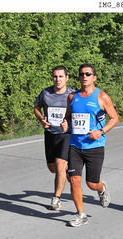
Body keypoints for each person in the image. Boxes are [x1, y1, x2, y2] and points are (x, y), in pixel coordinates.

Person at [60, 64, 119, 227]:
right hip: (75, 145)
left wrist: (101, 131)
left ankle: (101, 189)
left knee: (91, 183)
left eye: (88, 74)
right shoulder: (72, 97)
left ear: (94, 77)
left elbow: (115, 118)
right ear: (79, 77)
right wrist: (65, 124)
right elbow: (68, 117)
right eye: (81, 74)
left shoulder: (102, 97)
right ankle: (81, 214)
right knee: (74, 179)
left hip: (95, 146)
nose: (84, 76)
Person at [34, 66, 74, 210]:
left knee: (59, 165)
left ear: (66, 78)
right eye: (55, 77)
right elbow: (36, 107)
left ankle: (56, 198)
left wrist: (68, 123)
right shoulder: (46, 93)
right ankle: (68, 171)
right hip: (50, 134)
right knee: (53, 168)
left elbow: (79, 114)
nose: (58, 79)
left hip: (66, 135)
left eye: (61, 77)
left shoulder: (72, 95)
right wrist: (41, 119)